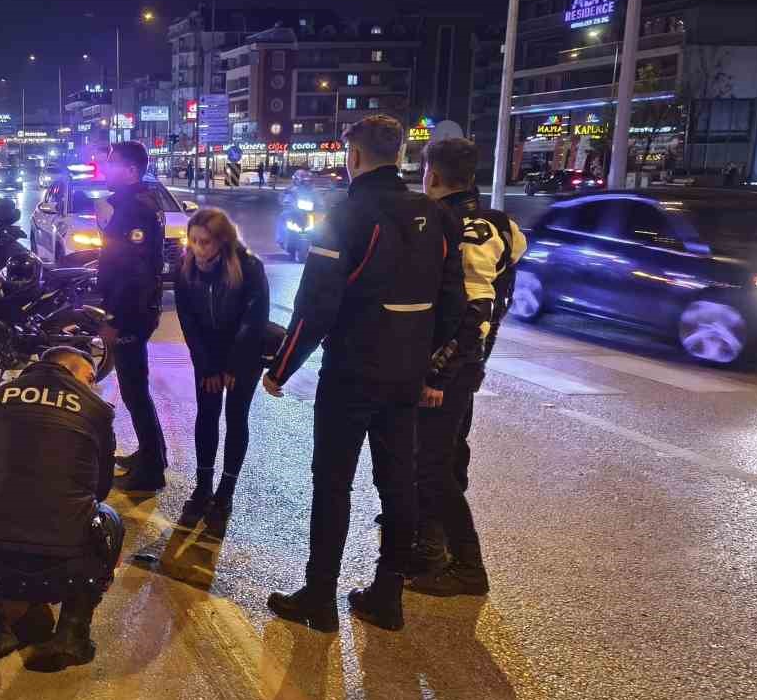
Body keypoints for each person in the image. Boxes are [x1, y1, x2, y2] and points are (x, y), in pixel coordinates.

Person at [261, 115, 465, 634]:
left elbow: (314, 306)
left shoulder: (348, 214)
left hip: (352, 373)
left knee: (332, 484)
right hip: (405, 378)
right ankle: (387, 595)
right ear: (399, 155)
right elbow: (452, 304)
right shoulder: (435, 216)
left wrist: (281, 368)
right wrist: (430, 367)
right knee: (399, 484)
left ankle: (320, 598)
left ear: (353, 156)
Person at [0, 347, 122, 670]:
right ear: (72, 371)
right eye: (90, 378)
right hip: (65, 571)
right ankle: (73, 632)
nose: (93, 387)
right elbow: (100, 490)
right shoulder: (97, 412)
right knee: (109, 518)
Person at [411, 138, 526, 598]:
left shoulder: (453, 227)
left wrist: (438, 373)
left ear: (433, 176)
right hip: (473, 361)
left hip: (452, 364)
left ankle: (464, 564)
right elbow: (505, 282)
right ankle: (431, 541)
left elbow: (473, 306)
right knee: (449, 453)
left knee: (432, 465)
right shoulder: (502, 224)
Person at [173, 207, 269, 536]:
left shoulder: (249, 266)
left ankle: (225, 493)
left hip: (244, 356)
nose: (198, 248)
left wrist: (233, 365)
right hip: (209, 356)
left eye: (206, 242)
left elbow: (253, 320)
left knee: (236, 417)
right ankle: (202, 489)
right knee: (207, 415)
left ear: (222, 242)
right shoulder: (185, 268)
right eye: (194, 241)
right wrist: (208, 364)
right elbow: (188, 320)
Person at [97, 141, 168, 492]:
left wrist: (114, 318)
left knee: (134, 390)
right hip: (139, 309)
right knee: (135, 389)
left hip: (132, 313)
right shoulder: (137, 203)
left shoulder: (134, 210)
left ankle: (152, 470)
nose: (105, 169)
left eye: (112, 164)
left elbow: (132, 273)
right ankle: (152, 454)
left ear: (131, 171)